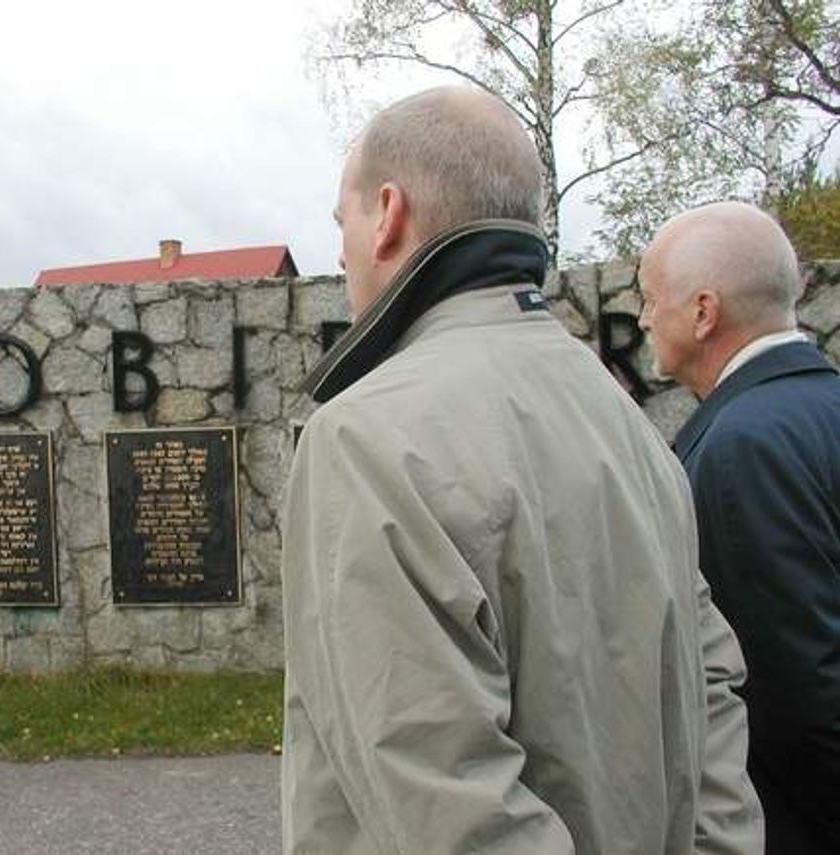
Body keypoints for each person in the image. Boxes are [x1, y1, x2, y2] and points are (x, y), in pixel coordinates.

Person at [279, 86, 763, 854]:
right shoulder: (626, 422)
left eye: (345, 220)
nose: (340, 252)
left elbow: (445, 807)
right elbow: (713, 688)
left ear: (390, 215)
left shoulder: (364, 438)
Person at [639, 201, 840, 853]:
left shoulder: (741, 451)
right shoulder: (821, 406)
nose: (642, 318)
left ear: (703, 312)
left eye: (650, 298)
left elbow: (794, 690)